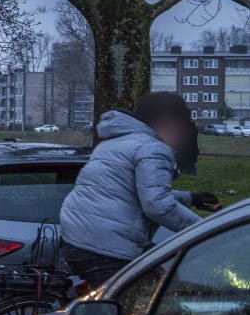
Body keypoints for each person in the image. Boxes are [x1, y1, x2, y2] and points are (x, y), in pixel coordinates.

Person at [58, 92, 221, 287]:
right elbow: (157, 206)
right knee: (148, 296)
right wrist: (204, 230)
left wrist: (191, 198)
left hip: (78, 238)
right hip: (105, 247)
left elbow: (130, 191)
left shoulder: (113, 143)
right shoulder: (152, 148)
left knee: (160, 277)